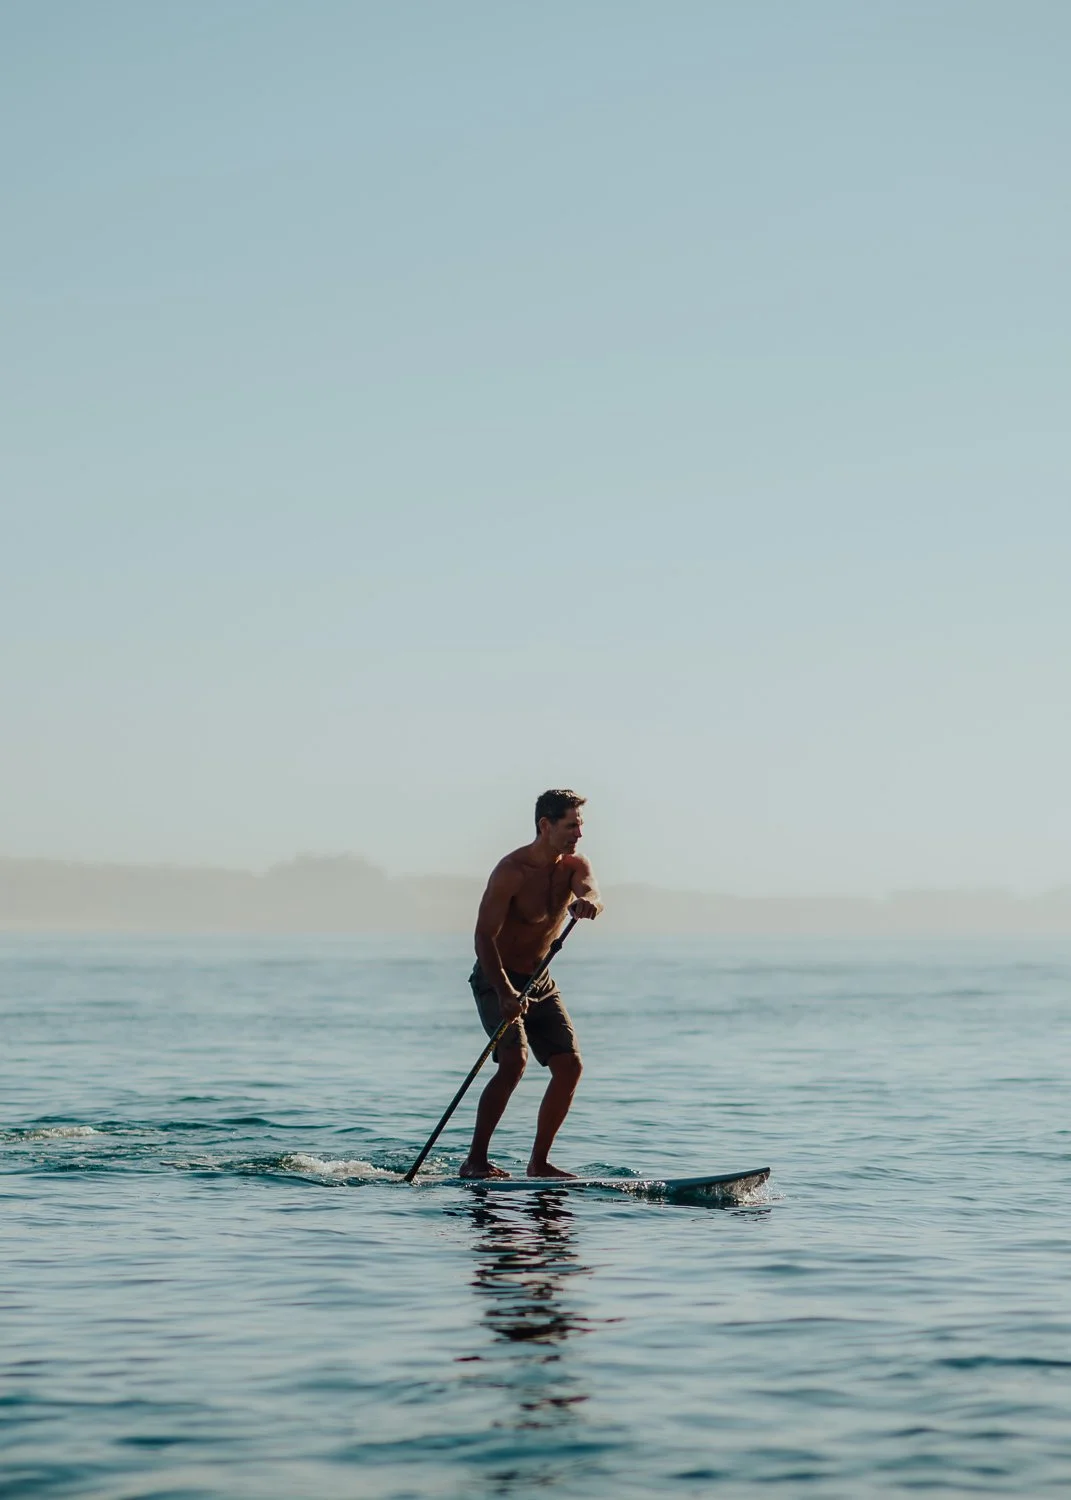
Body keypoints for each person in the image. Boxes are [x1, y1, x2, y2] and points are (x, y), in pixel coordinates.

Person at [460, 789, 602, 1180]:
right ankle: (475, 1161)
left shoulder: (574, 865)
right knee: (514, 1061)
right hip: (496, 978)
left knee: (570, 1066)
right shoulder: (511, 871)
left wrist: (588, 902)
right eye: (570, 825)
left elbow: (591, 889)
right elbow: (483, 938)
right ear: (545, 825)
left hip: (540, 980)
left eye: (580, 825)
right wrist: (504, 991)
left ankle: (538, 1164)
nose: (578, 834)